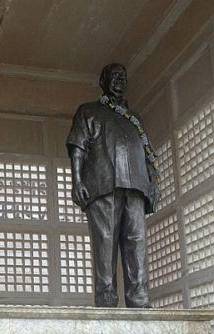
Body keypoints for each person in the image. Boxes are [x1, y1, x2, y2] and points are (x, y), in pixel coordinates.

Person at [66, 63, 161, 308]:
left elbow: (147, 153)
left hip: (136, 186)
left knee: (136, 243)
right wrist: (77, 180)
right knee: (105, 244)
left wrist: (153, 181)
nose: (119, 80)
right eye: (113, 76)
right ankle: (106, 299)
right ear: (103, 81)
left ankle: (139, 300)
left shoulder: (134, 119)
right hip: (103, 184)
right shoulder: (89, 111)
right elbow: (78, 146)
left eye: (122, 76)